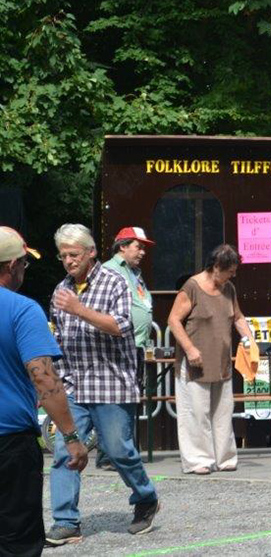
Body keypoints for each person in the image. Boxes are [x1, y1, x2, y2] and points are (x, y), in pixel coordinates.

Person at [46, 223, 160, 546]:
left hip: (111, 383)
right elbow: (60, 338)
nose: (69, 261)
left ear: (91, 252)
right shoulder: (60, 290)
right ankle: (66, 521)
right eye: (63, 256)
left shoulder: (114, 283)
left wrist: (79, 309)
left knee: (117, 450)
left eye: (74, 254)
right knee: (63, 450)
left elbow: (120, 326)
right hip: (74, 386)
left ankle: (146, 497)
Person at [1, 227, 87, 554]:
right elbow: (45, 379)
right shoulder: (23, 310)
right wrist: (70, 437)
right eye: (24, 263)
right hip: (9, 442)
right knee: (17, 540)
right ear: (11, 266)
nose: (25, 269)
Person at [167, 244, 256, 474]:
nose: (233, 276)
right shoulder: (192, 287)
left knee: (223, 411)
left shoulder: (229, 289)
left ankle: (225, 457)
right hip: (195, 363)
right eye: (230, 271)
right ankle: (199, 460)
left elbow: (238, 317)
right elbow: (174, 321)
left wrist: (250, 339)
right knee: (196, 413)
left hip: (222, 361)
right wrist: (189, 348)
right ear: (216, 267)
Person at [96, 226, 155, 470]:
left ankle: (122, 451)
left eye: (143, 248)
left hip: (136, 345)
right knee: (113, 399)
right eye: (138, 246)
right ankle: (110, 455)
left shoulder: (134, 272)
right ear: (123, 247)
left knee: (129, 398)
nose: (142, 252)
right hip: (117, 346)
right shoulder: (109, 270)